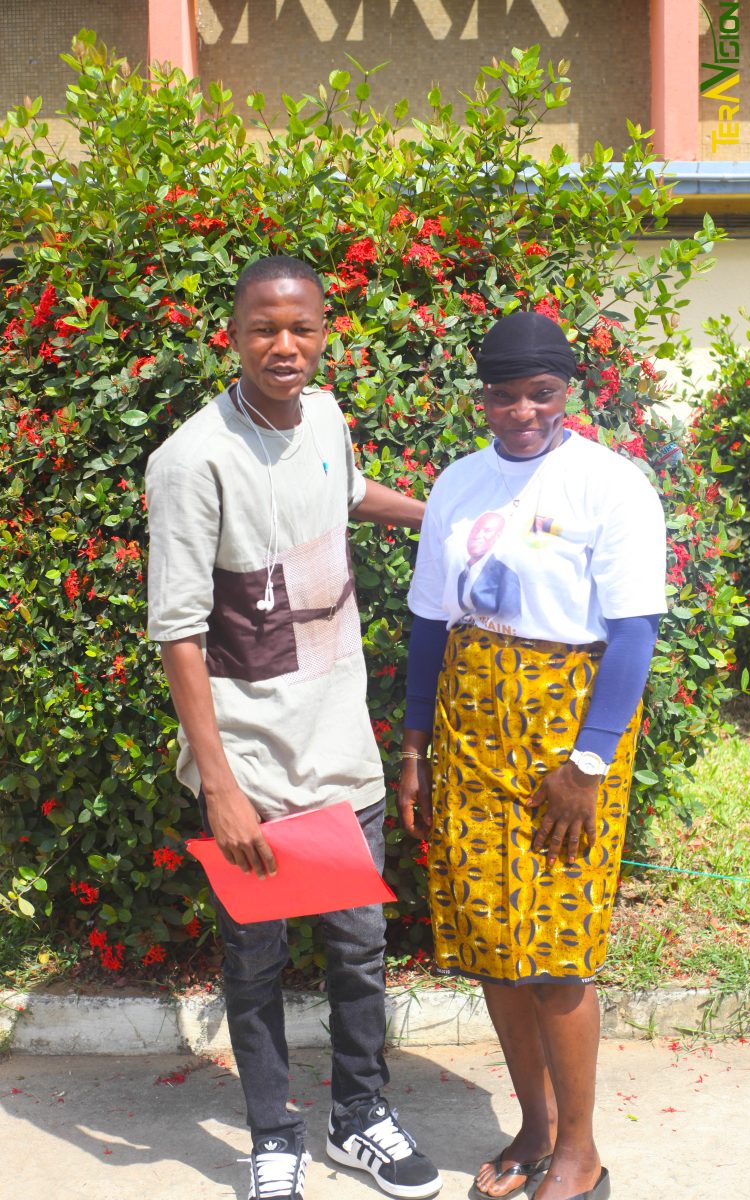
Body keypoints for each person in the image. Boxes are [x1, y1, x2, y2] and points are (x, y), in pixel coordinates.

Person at [146, 255, 441, 1200]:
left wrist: (444, 516)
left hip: (339, 745)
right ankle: (273, 1135)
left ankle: (361, 1118)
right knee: (257, 956)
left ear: (324, 331)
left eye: (302, 327)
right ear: (231, 335)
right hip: (253, 762)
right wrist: (220, 782)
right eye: (263, 328)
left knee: (358, 947)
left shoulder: (326, 420)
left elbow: (349, 498)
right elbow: (180, 634)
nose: (285, 345)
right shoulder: (192, 459)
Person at [398, 311, 666, 1200]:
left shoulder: (610, 485)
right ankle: (534, 1129)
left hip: (567, 730)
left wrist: (587, 762)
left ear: (569, 393)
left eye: (541, 393)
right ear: (482, 397)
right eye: (504, 394)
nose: (522, 410)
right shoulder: (458, 484)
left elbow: (631, 633)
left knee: (555, 950)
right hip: (469, 724)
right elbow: (430, 620)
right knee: (491, 944)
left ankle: (582, 1152)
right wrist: (415, 747)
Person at [456, 511, 521, 622]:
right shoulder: (463, 573)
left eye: (487, 531)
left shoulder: (506, 575)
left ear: (498, 536)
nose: (477, 535)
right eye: (475, 530)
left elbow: (510, 619)